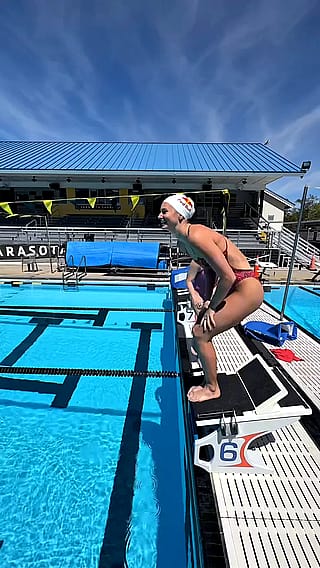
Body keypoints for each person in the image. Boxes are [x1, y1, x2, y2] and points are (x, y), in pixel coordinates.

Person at [159, 193, 264, 402]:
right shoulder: (183, 241)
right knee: (200, 328)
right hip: (234, 286)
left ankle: (212, 388)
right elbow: (211, 271)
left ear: (180, 216)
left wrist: (212, 307)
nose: (159, 216)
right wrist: (205, 299)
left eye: (164, 211)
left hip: (246, 287)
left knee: (200, 333)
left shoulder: (196, 235)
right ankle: (207, 368)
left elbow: (228, 275)